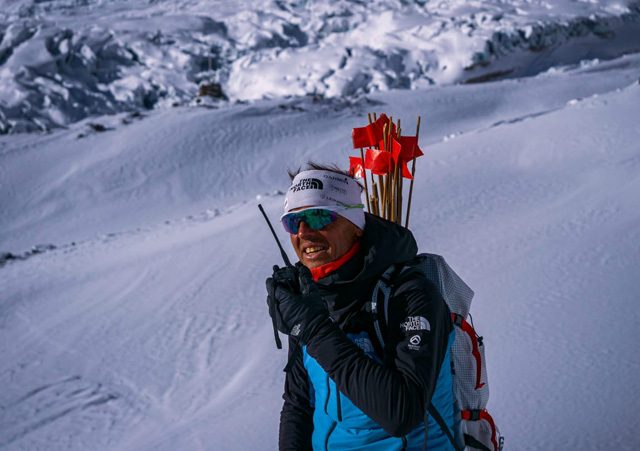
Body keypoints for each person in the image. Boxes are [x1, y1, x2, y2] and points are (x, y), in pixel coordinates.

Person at [266, 163, 455, 450]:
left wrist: (313, 329)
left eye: (318, 217)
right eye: (293, 222)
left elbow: (401, 413)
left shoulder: (410, 295)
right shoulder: (308, 297)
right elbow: (299, 403)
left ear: (355, 225)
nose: (303, 233)